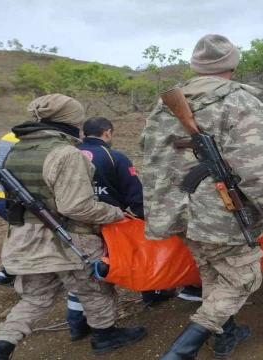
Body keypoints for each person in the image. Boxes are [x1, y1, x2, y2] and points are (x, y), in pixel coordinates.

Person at [141, 34, 263, 359]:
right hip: (225, 217)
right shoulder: (242, 103)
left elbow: (151, 157)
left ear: (196, 66)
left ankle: (227, 335)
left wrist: (160, 208)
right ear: (232, 65)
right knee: (241, 280)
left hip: (179, 211)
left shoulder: (164, 106)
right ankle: (181, 351)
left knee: (213, 273)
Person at [0, 94, 146, 360]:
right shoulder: (65, 153)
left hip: (26, 238)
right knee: (96, 290)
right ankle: (105, 336)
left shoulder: (17, 149)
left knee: (34, 299)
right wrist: (114, 214)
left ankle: (2, 346)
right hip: (70, 239)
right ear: (71, 121)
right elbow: (76, 207)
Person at [65, 117, 175, 339]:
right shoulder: (114, 157)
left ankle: (77, 324)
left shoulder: (67, 157)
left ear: (83, 134)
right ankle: (152, 294)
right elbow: (135, 195)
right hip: (109, 225)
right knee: (127, 262)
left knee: (82, 275)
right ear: (107, 132)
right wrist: (148, 220)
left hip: (70, 227)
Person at [177, 82, 263, 305]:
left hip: (193, 215)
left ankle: (224, 333)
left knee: (210, 271)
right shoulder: (241, 117)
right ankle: (206, 326)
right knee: (236, 277)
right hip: (213, 220)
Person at [0, 132, 19, 287]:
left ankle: (7, 272)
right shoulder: (39, 138)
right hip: (14, 197)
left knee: (20, 232)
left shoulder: (10, 135)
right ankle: (8, 272)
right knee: (34, 233)